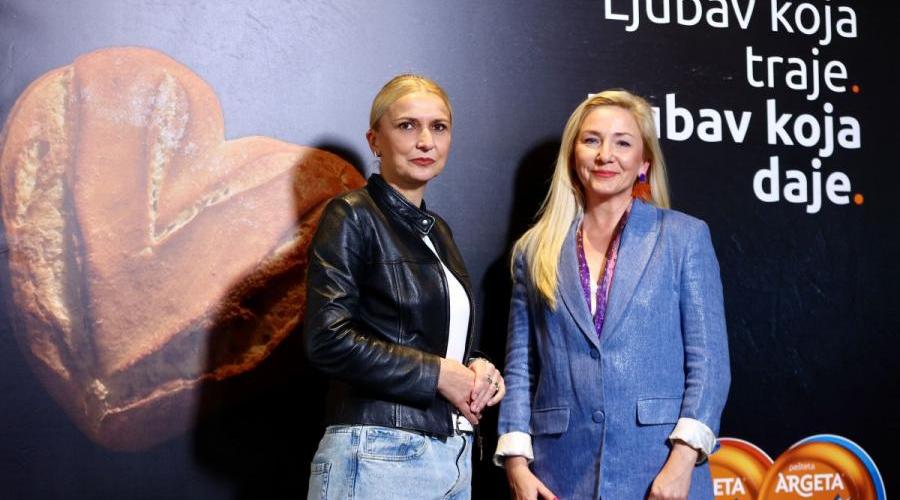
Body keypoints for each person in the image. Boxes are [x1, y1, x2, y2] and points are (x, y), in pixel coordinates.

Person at [495, 90, 730, 499]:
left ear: (644, 162)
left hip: (659, 470)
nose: (606, 155)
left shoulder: (684, 237)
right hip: (559, 475)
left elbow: (709, 365)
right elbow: (520, 369)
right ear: (573, 156)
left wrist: (681, 463)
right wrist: (516, 463)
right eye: (592, 140)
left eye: (622, 143)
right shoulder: (534, 250)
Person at [303, 74, 505, 500]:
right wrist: (438, 374)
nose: (425, 141)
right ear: (374, 140)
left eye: (439, 127)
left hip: (450, 455)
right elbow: (328, 339)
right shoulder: (351, 214)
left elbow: (421, 338)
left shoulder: (438, 232)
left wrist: (476, 368)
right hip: (376, 452)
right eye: (407, 125)